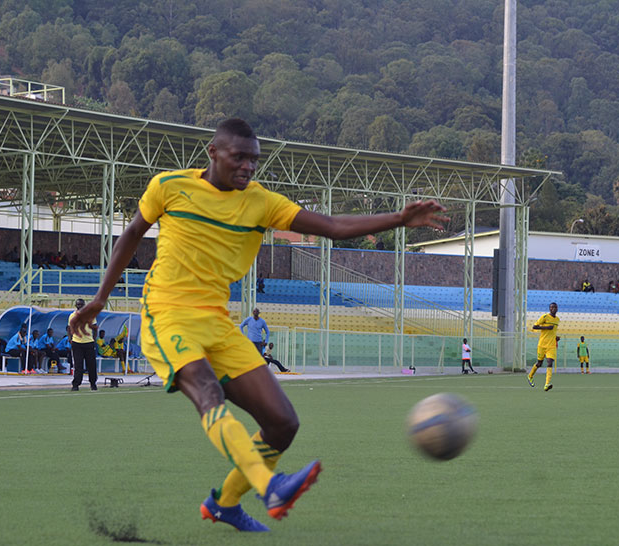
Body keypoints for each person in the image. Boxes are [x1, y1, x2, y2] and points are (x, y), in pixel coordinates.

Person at [69, 118, 449, 531]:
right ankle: (270, 485)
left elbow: (332, 227)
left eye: (254, 159)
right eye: (239, 157)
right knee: (207, 392)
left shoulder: (261, 203)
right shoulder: (170, 186)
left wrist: (398, 218)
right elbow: (131, 234)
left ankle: (224, 504)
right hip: (167, 313)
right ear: (213, 153)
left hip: (217, 321)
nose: (248, 166)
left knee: (283, 423)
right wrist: (101, 298)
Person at [527, 302, 560, 392]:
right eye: (551, 307)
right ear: (549, 309)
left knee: (549, 362)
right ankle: (530, 376)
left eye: (555, 307)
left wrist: (556, 337)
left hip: (551, 345)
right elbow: (534, 326)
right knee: (539, 363)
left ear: (557, 309)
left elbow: (553, 332)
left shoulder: (557, 319)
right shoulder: (545, 317)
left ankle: (547, 384)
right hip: (542, 344)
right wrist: (546, 328)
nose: (553, 308)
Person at [69, 298, 98, 391]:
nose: (80, 306)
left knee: (91, 365)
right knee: (78, 365)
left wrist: (94, 339)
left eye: (81, 305)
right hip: (77, 343)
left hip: (89, 343)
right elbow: (69, 328)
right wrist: (70, 339)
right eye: (78, 305)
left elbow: (95, 328)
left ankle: (93, 383)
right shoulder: (72, 316)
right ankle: (76, 384)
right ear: (76, 306)